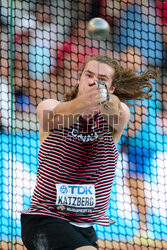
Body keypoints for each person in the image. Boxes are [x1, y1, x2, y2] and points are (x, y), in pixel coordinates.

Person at [21, 55, 158, 250]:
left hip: (85, 228)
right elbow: (56, 119)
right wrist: (85, 101)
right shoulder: (49, 106)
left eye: (102, 79)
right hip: (45, 220)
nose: (94, 81)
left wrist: (104, 100)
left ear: (112, 89)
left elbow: (115, 115)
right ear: (79, 79)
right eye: (89, 75)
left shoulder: (119, 115)